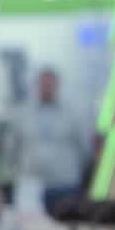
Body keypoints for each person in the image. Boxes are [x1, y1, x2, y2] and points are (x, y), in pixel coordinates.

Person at [17, 68, 89, 208]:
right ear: (37, 85)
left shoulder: (72, 113)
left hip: (65, 185)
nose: (46, 87)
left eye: (50, 84)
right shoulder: (24, 114)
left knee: (67, 225)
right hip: (33, 186)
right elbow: (17, 147)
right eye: (43, 84)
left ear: (57, 85)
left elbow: (84, 149)